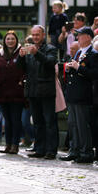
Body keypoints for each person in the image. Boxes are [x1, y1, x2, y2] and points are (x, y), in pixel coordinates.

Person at [17, 25, 58, 160]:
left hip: (46, 91)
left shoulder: (51, 48)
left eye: (37, 35)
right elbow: (21, 69)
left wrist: (37, 53)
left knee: (49, 121)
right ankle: (39, 148)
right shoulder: (30, 49)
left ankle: (51, 150)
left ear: (43, 35)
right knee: (38, 122)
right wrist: (21, 57)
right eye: (33, 35)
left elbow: (50, 63)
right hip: (33, 91)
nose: (35, 37)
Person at [60, 27, 98, 163]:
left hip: (83, 95)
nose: (78, 38)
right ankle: (74, 150)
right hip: (73, 93)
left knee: (83, 126)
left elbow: (94, 73)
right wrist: (70, 68)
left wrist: (78, 68)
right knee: (73, 125)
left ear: (88, 37)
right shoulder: (79, 52)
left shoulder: (93, 54)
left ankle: (85, 152)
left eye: (80, 35)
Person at [0, 31, 25, 154]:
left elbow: (26, 69)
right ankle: (8, 144)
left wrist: (22, 81)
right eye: (8, 39)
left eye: (12, 39)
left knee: (15, 120)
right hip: (3, 92)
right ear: (4, 41)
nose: (10, 41)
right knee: (7, 120)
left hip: (17, 92)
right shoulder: (0, 54)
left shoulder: (21, 53)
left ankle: (15, 145)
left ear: (16, 40)